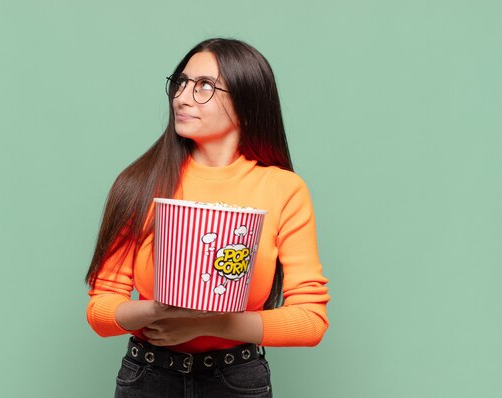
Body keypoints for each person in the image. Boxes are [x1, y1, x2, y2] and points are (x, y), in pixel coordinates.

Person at [85, 38, 330, 398]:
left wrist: (210, 325)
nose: (181, 97)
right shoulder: (139, 184)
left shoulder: (284, 190)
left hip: (237, 380)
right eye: (180, 83)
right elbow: (100, 312)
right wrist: (156, 310)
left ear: (247, 104)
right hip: (148, 378)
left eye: (204, 87)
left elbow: (310, 321)